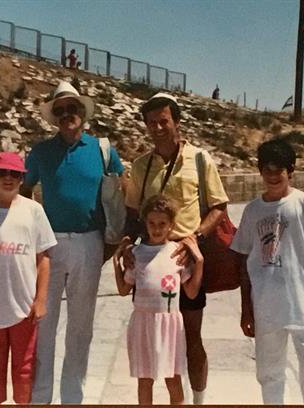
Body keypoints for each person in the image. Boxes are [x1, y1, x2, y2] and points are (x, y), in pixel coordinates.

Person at [22, 80, 124, 404]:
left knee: (81, 326)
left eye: (72, 108)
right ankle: (41, 397)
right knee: (44, 322)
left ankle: (73, 397)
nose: (68, 114)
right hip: (49, 247)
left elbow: (122, 191)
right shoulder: (40, 152)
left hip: (89, 243)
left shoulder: (101, 150)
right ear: (54, 116)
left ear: (82, 112)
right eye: (61, 110)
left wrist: (112, 243)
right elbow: (23, 190)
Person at [123, 92, 229, 404]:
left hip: (185, 262)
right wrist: (128, 243)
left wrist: (194, 237)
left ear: (177, 122)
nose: (157, 128)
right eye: (151, 122)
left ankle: (197, 400)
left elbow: (218, 206)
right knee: (152, 339)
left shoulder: (199, 159)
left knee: (191, 338)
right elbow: (132, 213)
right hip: (152, 266)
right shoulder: (141, 166)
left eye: (163, 121)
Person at [230, 138, 304, 405]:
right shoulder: (252, 211)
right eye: (267, 169)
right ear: (260, 172)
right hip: (266, 307)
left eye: (279, 169)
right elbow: (245, 262)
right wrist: (247, 309)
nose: (272, 176)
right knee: (270, 374)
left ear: (290, 171)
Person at [0, 152, 57, 404]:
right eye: (2, 173)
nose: (8, 178)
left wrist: (41, 298)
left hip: (24, 305)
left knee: (24, 367)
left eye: (14, 174)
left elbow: (43, 257)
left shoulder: (33, 210)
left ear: (22, 178)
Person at [114, 196, 203, 405]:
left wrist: (199, 261)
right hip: (143, 325)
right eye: (152, 223)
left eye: (162, 224)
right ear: (145, 223)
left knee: (173, 379)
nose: (156, 228)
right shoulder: (136, 253)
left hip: (170, 327)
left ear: (171, 225)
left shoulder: (177, 254)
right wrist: (116, 262)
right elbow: (123, 289)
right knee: (145, 380)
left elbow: (191, 292)